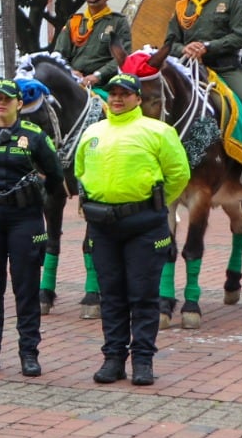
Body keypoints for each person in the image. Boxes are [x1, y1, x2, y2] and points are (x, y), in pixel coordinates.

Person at [74, 72, 190, 386]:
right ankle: (113, 359)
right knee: (111, 296)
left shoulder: (159, 131)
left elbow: (179, 174)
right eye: (113, 93)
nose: (117, 98)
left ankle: (142, 361)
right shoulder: (93, 132)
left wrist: (154, 204)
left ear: (138, 98)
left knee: (143, 295)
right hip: (103, 226)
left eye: (125, 93)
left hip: (145, 226)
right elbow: (80, 171)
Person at [0, 80, 65, 376]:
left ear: (19, 104)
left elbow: (56, 176)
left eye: (7, 99)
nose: (1, 104)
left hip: (25, 219)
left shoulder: (34, 136)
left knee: (26, 289)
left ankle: (28, 354)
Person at [164, 0, 242, 188]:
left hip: (225, 69)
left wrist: (207, 47)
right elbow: (170, 42)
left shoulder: (231, 1)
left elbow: (241, 36)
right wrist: (184, 50)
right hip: (189, 70)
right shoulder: (182, 6)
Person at [53, 0, 132, 89]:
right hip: (73, 82)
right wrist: (71, 71)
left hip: (104, 85)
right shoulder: (74, 22)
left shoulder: (118, 22)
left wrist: (97, 75)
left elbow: (122, 57)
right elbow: (59, 54)